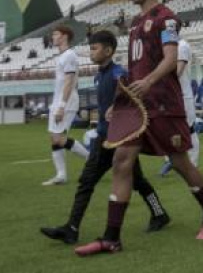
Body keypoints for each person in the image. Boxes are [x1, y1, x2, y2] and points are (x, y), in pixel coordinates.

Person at [75, 0, 203, 256]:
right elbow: (133, 67)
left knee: (181, 163)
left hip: (164, 104)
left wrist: (149, 80)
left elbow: (170, 60)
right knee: (122, 160)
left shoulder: (166, 19)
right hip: (137, 104)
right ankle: (111, 238)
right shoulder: (134, 24)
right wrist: (120, 101)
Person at [40, 31, 169, 244]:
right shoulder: (99, 75)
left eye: (95, 48)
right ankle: (159, 214)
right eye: (90, 48)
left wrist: (116, 106)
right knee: (136, 181)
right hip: (109, 137)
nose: (91, 52)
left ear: (108, 51)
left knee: (87, 182)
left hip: (115, 139)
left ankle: (72, 229)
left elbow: (131, 94)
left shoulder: (118, 73)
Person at [42, 25, 89, 186]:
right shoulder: (64, 56)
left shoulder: (69, 56)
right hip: (60, 101)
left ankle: (92, 160)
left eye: (55, 34)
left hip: (66, 102)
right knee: (54, 139)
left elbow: (69, 82)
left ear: (64, 36)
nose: (53, 36)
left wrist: (61, 106)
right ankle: (61, 175)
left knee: (59, 138)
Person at [160, 38, 201, 176]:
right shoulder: (164, 47)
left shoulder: (182, 46)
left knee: (189, 129)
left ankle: (193, 164)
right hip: (169, 96)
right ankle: (169, 160)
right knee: (165, 129)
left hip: (183, 96)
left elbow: (178, 71)